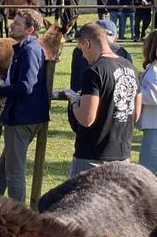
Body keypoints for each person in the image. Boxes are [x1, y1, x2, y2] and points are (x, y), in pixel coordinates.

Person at [0, 10, 50, 202]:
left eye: (17, 24)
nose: (12, 26)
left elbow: (25, 86)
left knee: (14, 171)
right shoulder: (23, 48)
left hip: (22, 117)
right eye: (13, 23)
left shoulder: (29, 50)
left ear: (30, 30)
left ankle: (17, 213)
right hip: (23, 115)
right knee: (7, 165)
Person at [66, 22, 141, 177]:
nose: (83, 56)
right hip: (122, 156)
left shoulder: (94, 71)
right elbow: (136, 113)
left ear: (87, 43)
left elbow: (87, 119)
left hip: (91, 157)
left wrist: (74, 101)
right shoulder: (131, 67)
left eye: (81, 50)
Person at [140, 31, 157, 174]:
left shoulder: (155, 69)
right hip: (152, 124)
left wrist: (135, 90)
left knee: (147, 172)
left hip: (154, 126)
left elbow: (153, 96)